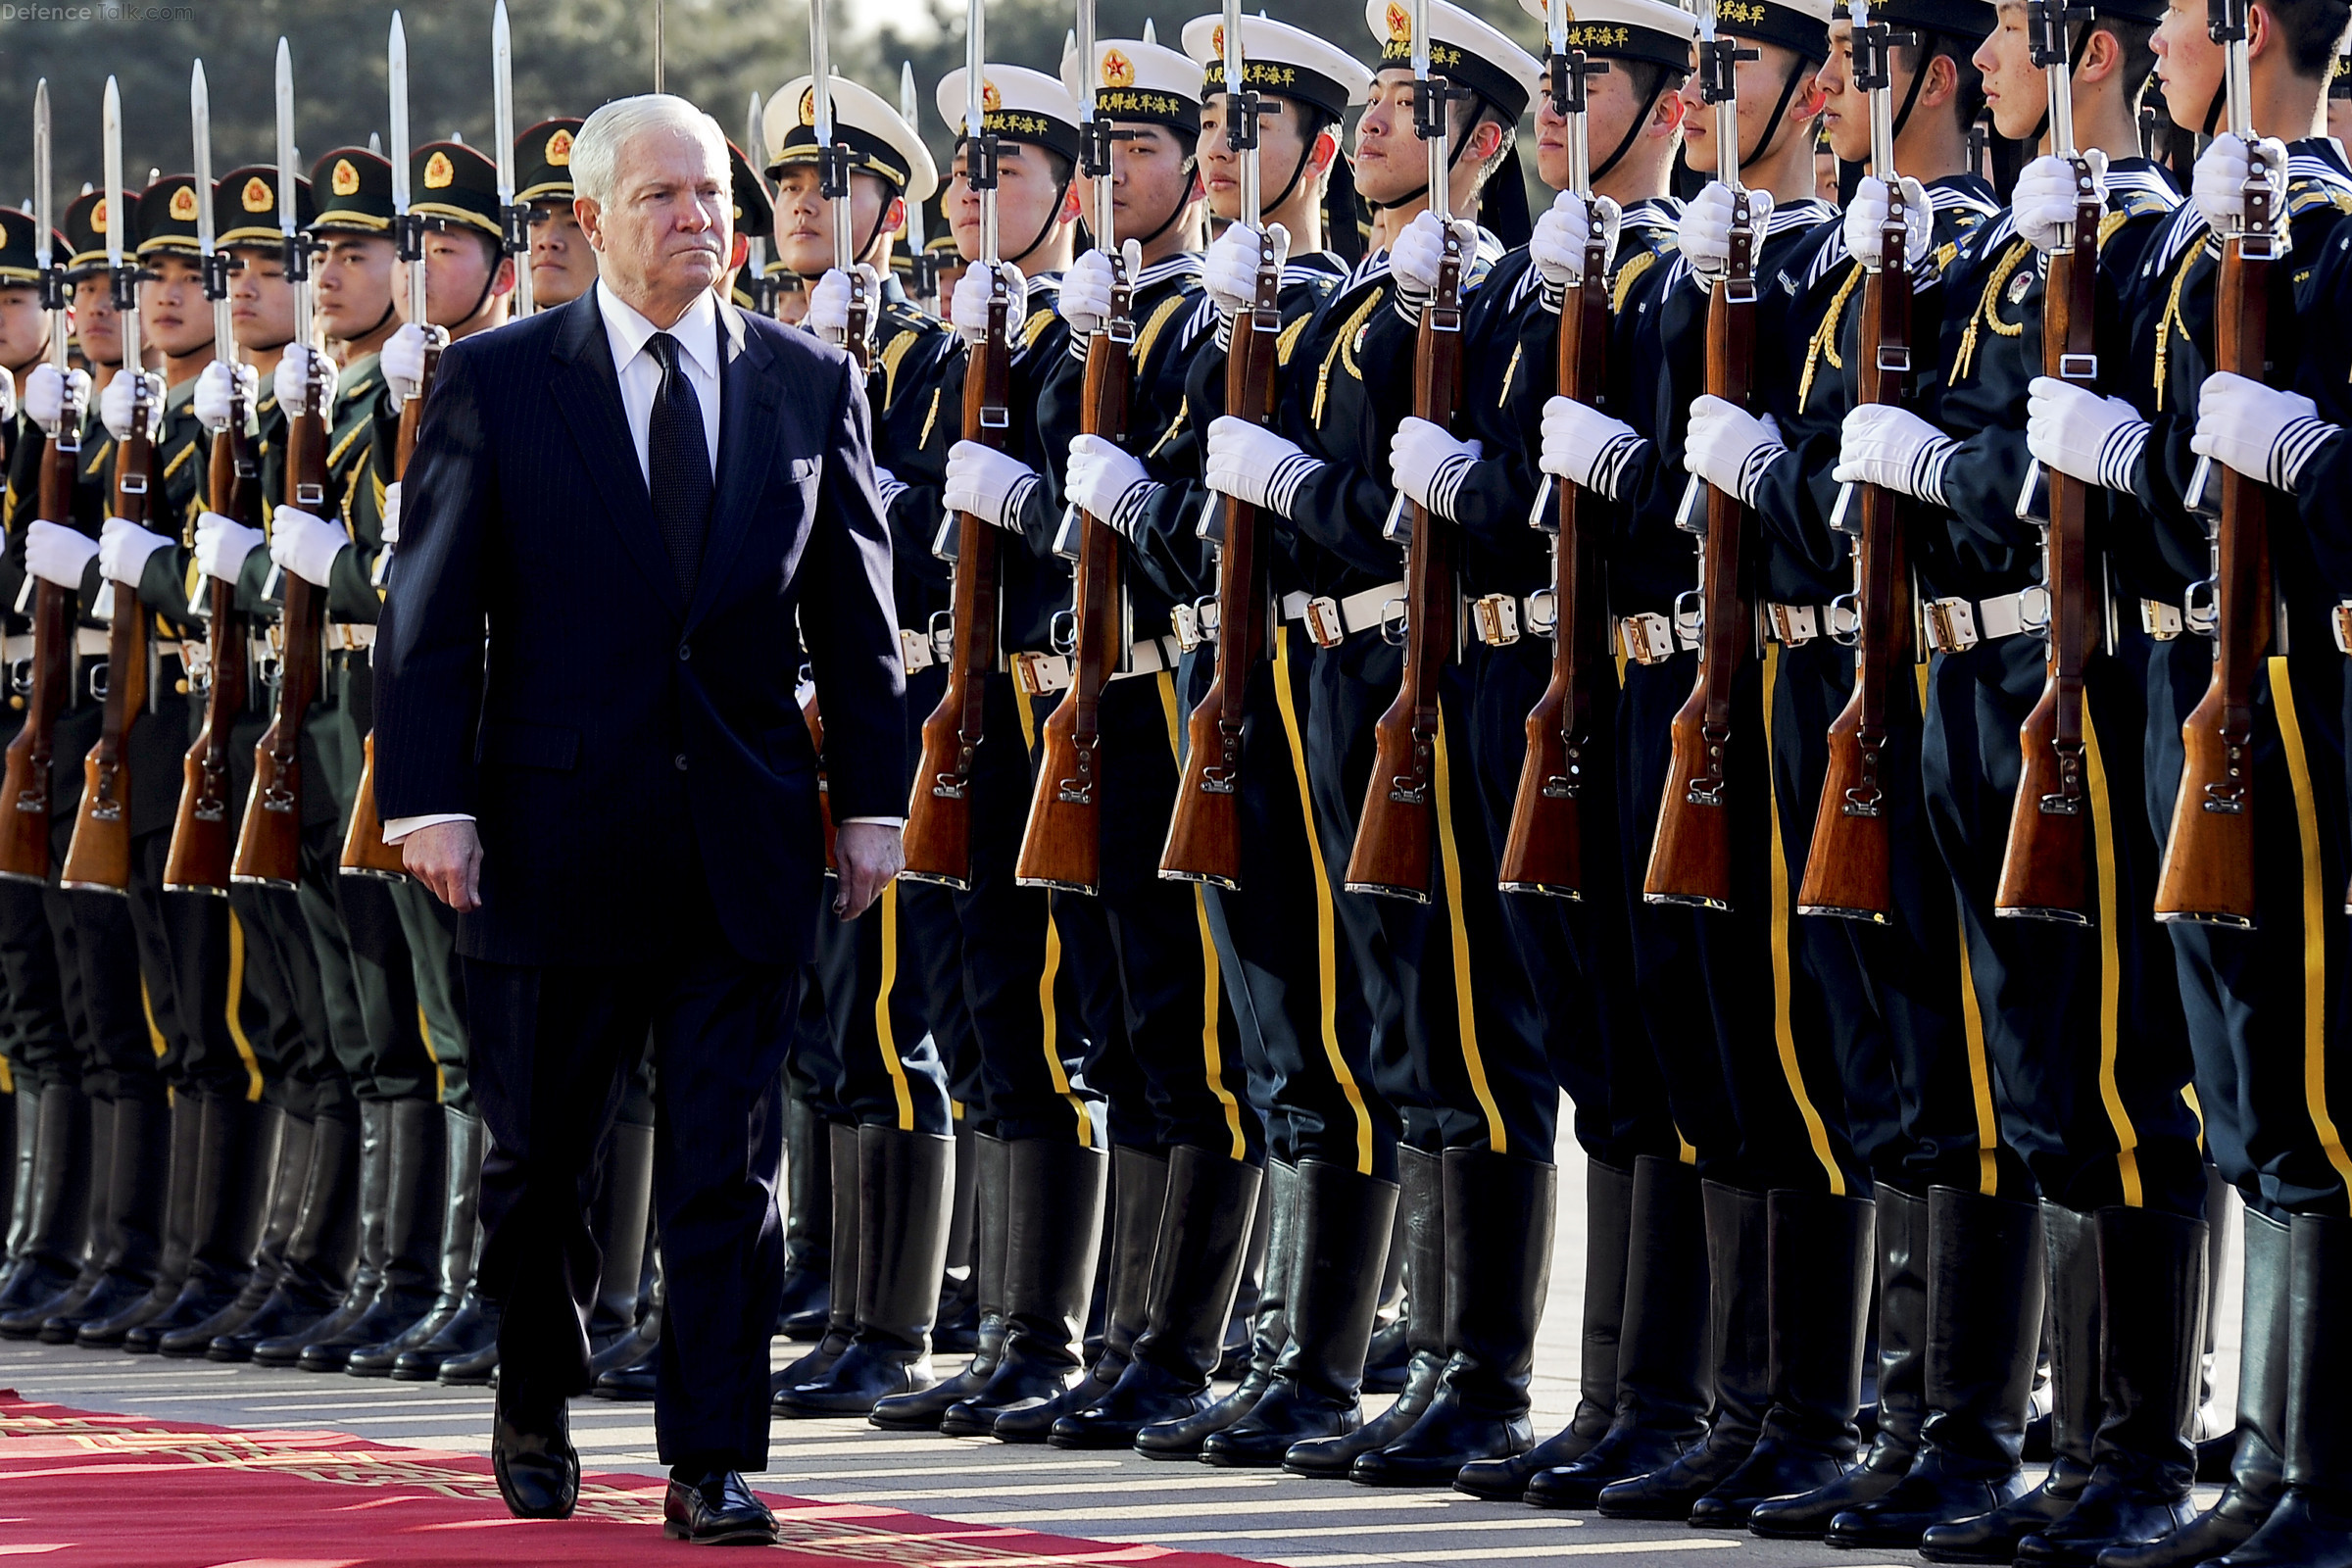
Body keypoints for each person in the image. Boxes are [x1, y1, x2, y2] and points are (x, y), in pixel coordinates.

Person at [374, 93, 906, 1544]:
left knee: (726, 1169)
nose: (700, 218)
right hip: (550, 834)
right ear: (593, 218)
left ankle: (713, 1457)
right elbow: (429, 616)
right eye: (665, 195)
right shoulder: (498, 382)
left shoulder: (807, 380)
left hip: (742, 834)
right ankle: (535, 1402)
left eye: (713, 194)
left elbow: (858, 621)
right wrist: (429, 800)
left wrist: (870, 803)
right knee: (541, 1165)